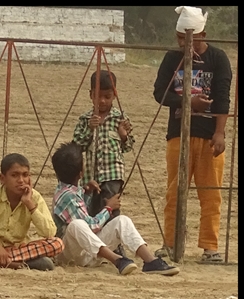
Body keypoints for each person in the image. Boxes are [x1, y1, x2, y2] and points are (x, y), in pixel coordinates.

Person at [152, 6, 232, 263]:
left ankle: (210, 247)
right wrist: (188, 102)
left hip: (208, 135)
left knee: (211, 195)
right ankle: (171, 243)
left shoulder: (218, 59)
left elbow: (222, 97)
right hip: (178, 134)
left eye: (189, 39)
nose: (183, 44)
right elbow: (160, 93)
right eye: (179, 38)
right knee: (175, 193)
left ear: (202, 35)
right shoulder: (171, 59)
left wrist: (219, 133)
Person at [50, 142, 179, 276]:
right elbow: (91, 226)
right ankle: (117, 260)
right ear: (81, 173)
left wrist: (86, 193)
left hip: (87, 251)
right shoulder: (66, 196)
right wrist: (108, 208)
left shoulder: (70, 190)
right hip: (68, 255)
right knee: (76, 225)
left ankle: (150, 261)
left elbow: (80, 211)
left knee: (122, 221)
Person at [72, 69, 132, 218]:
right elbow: (77, 145)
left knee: (110, 207)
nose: (102, 101)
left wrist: (123, 136)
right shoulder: (85, 119)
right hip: (90, 175)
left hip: (113, 173)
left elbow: (128, 146)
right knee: (90, 210)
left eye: (107, 96)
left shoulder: (120, 118)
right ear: (91, 95)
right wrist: (90, 129)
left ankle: (112, 231)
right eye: (98, 96)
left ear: (115, 95)